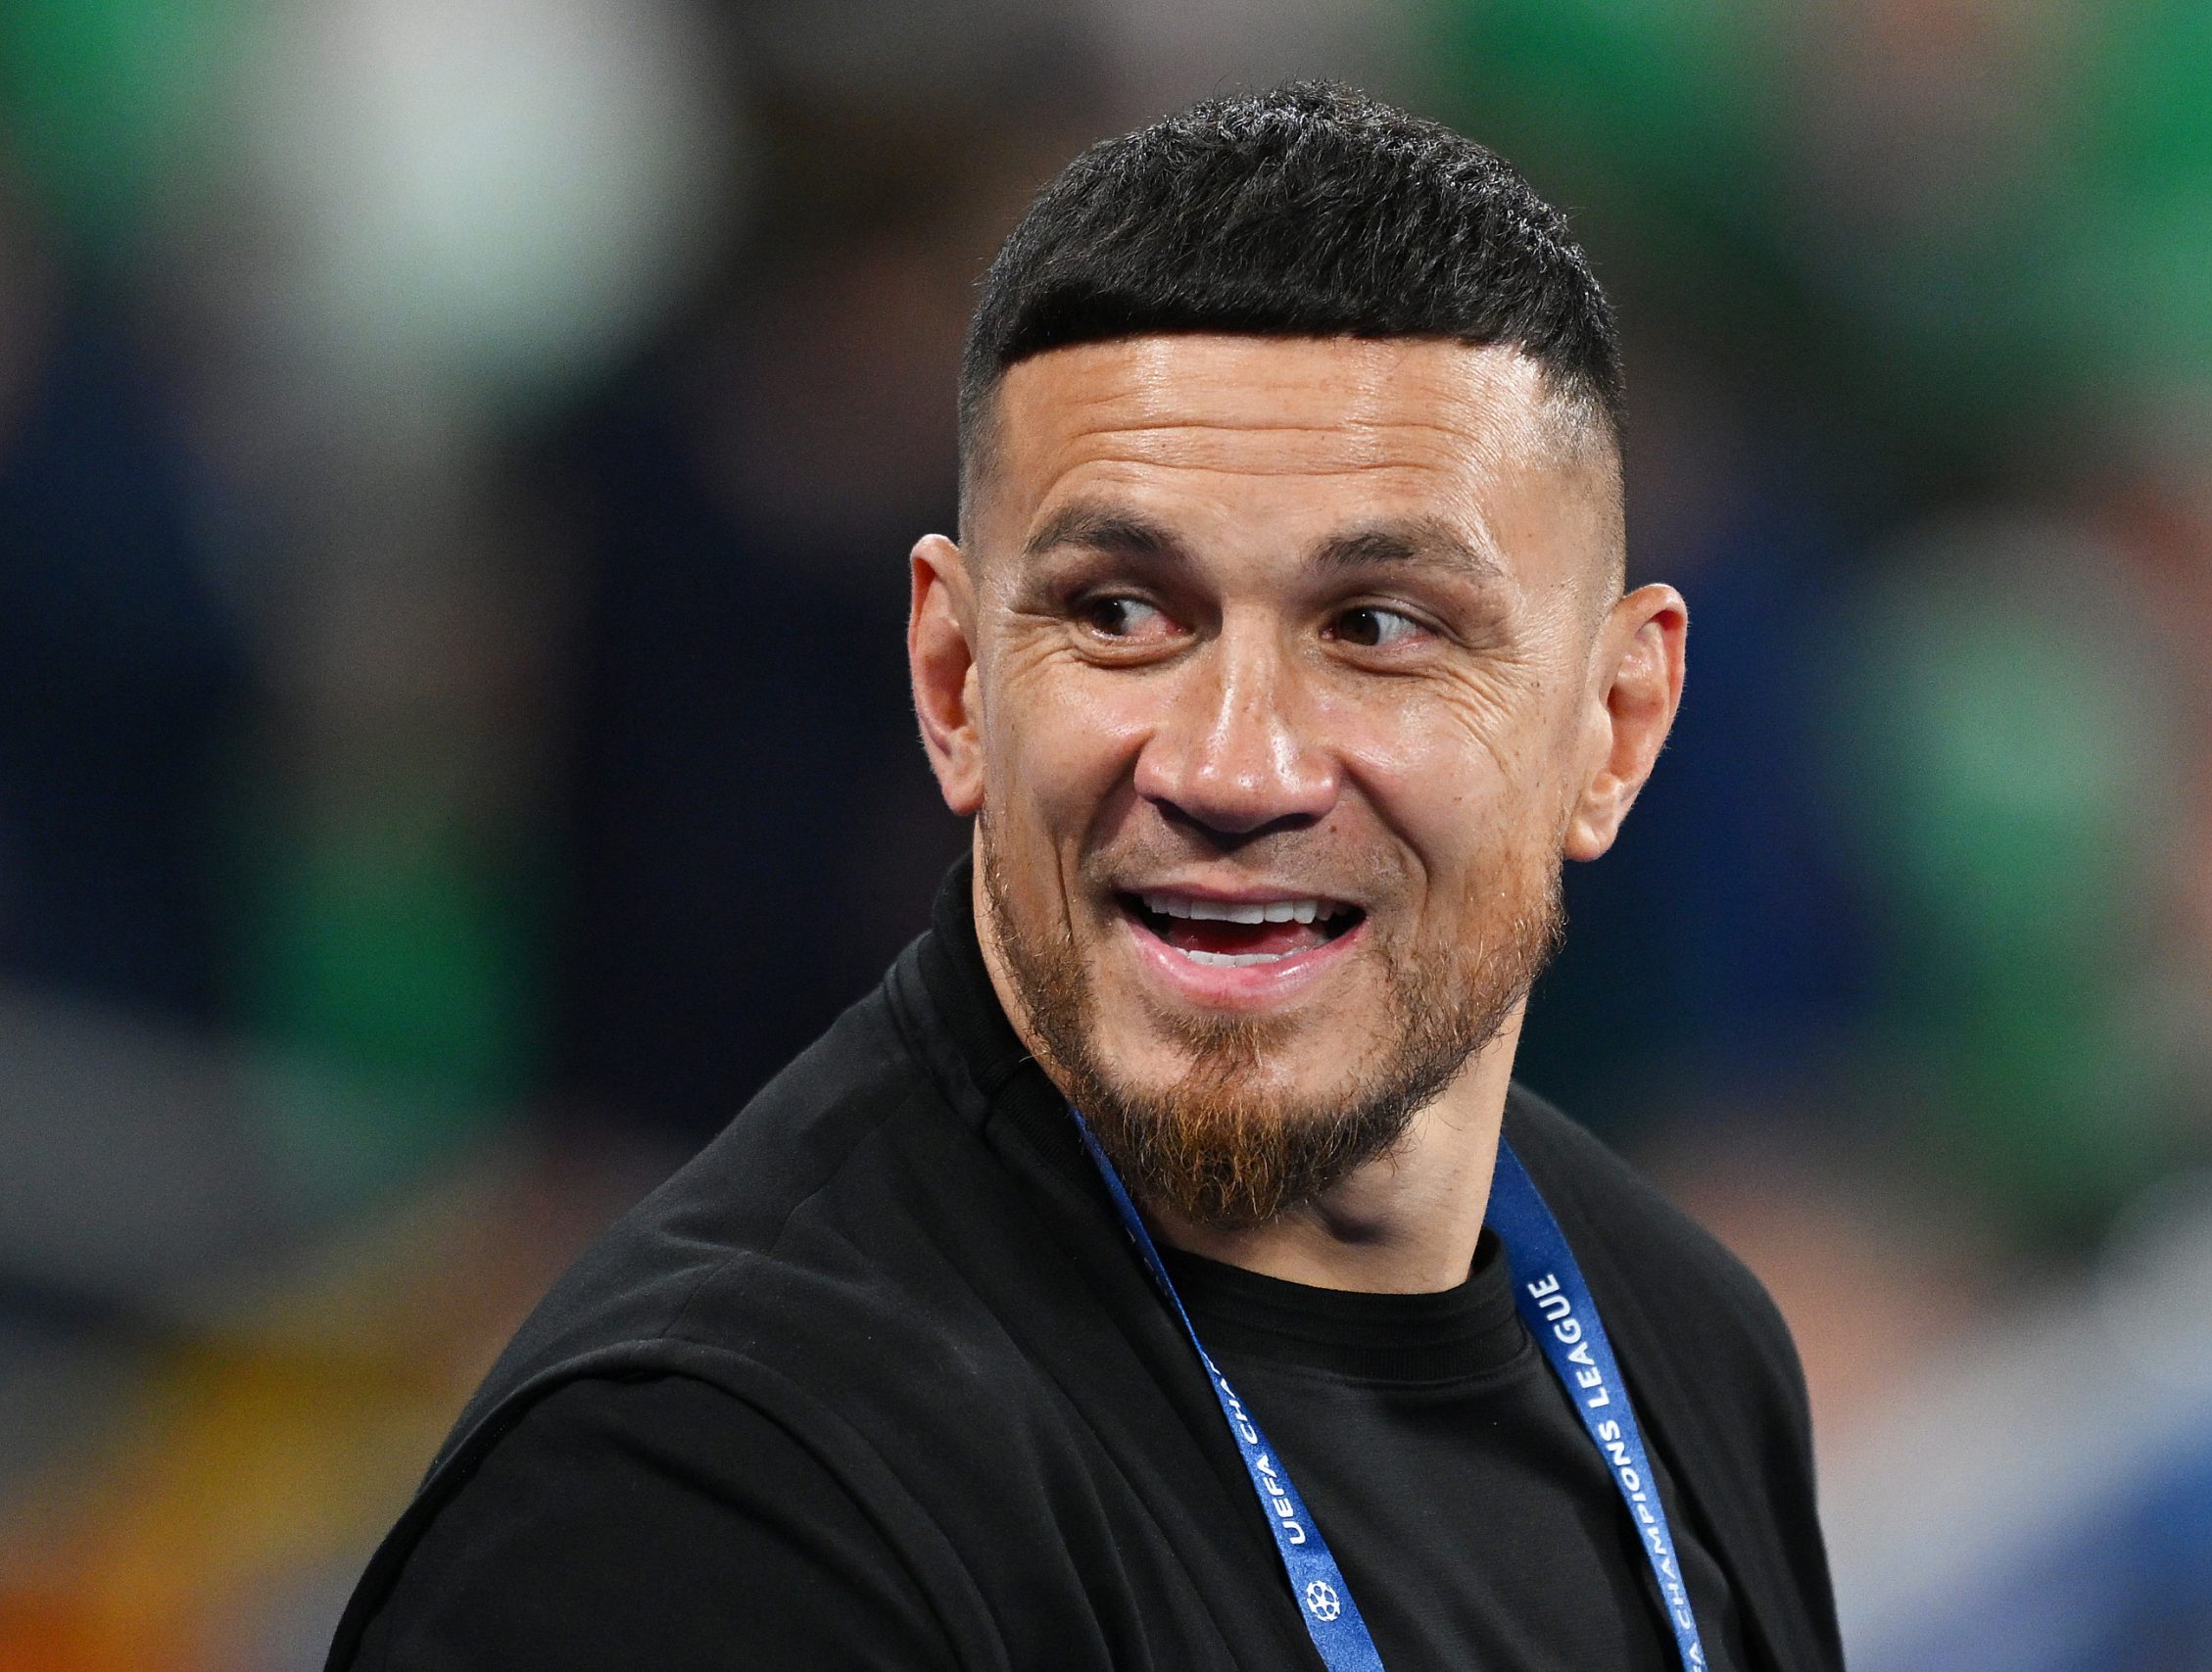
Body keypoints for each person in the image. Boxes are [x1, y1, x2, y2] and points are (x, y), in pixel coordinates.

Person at [328, 83, 1843, 1672]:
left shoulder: (1686, 1347)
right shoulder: (701, 1508)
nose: (1235, 768)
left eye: (1381, 627)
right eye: (1123, 613)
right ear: (954, 679)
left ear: (1615, 726)